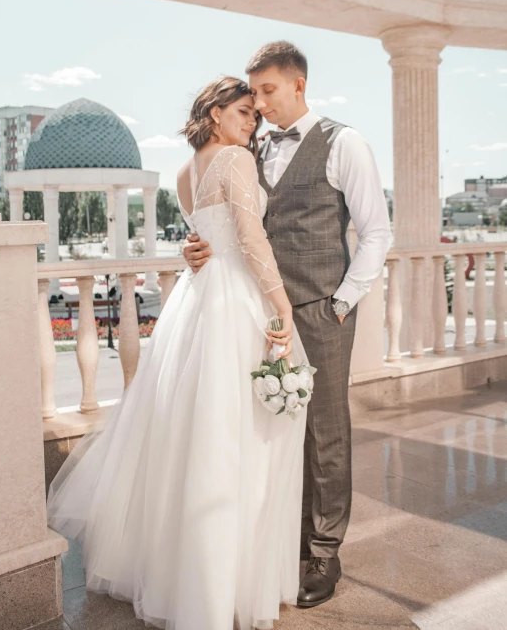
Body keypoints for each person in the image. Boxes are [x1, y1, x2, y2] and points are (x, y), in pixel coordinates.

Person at [47, 75, 309, 630]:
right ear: (214, 112)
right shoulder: (236, 161)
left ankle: (186, 578)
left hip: (197, 301)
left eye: (256, 115)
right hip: (234, 299)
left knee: (190, 437)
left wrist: (196, 255)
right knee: (240, 438)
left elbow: (201, 239)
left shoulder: (187, 170)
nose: (252, 121)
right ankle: (228, 587)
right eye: (243, 111)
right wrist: (281, 307)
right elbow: (250, 237)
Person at [184, 42, 393, 609]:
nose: (259, 103)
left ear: (298, 84)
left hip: (320, 310)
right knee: (274, 431)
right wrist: (201, 248)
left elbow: (376, 231)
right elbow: (232, 219)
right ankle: (287, 541)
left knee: (325, 432)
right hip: (257, 310)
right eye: (253, 94)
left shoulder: (343, 142)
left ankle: (324, 551)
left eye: (268, 91)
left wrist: (342, 302)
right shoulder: (247, 145)